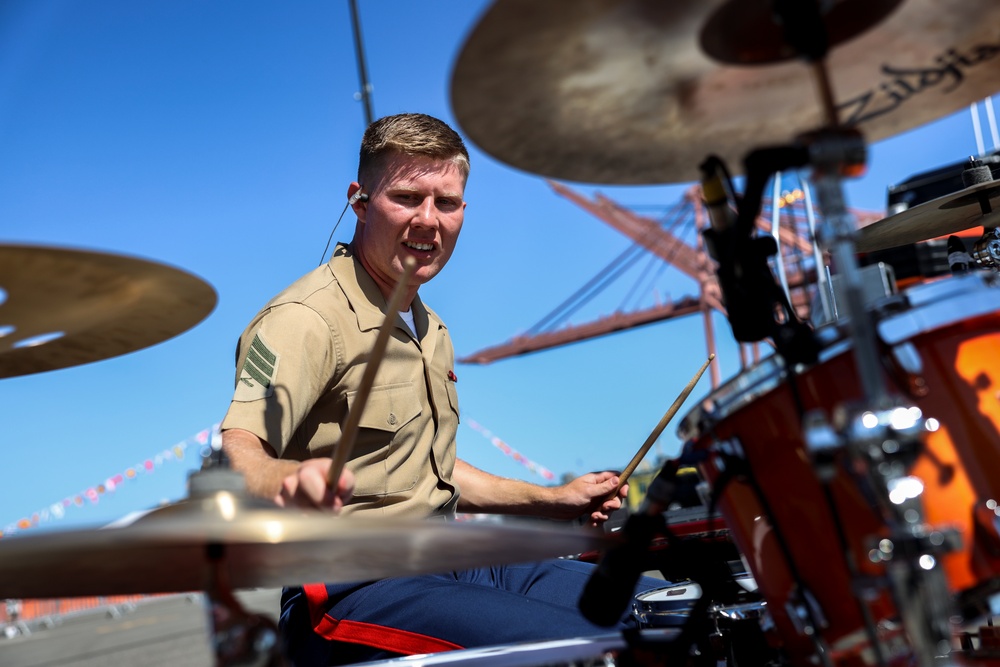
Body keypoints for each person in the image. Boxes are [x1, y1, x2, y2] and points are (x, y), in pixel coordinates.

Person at [220, 113, 661, 666]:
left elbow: (434, 470)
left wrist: (552, 501)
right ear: (359, 201)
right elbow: (238, 450)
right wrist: (285, 479)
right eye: (407, 197)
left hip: (453, 556)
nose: (428, 221)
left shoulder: (431, 329)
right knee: (589, 650)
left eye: (446, 203)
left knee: (657, 609)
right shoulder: (305, 318)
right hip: (354, 583)